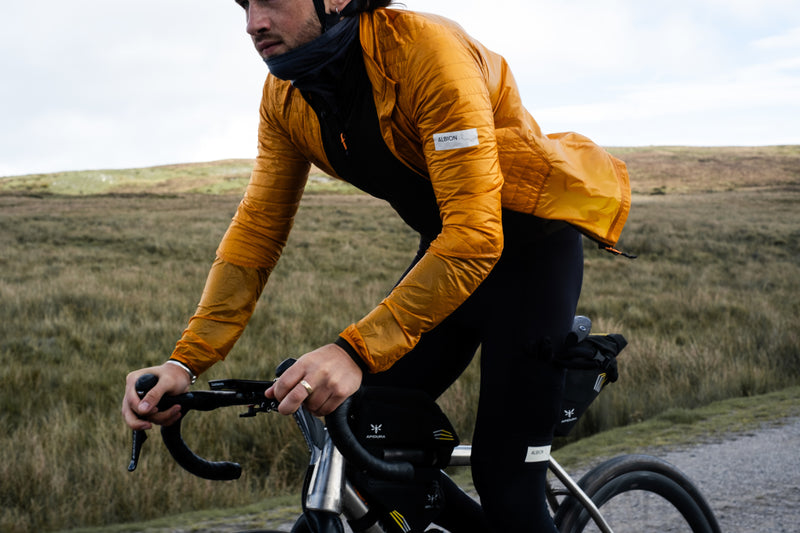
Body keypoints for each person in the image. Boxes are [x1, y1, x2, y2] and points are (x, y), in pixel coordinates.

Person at [122, 0, 630, 530]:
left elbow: (477, 234)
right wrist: (185, 363)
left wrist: (353, 352)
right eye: (245, 6)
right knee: (367, 442)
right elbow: (256, 233)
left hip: (528, 260)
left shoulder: (426, 52)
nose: (253, 22)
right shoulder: (286, 94)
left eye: (272, 0)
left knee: (505, 480)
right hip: (445, 267)